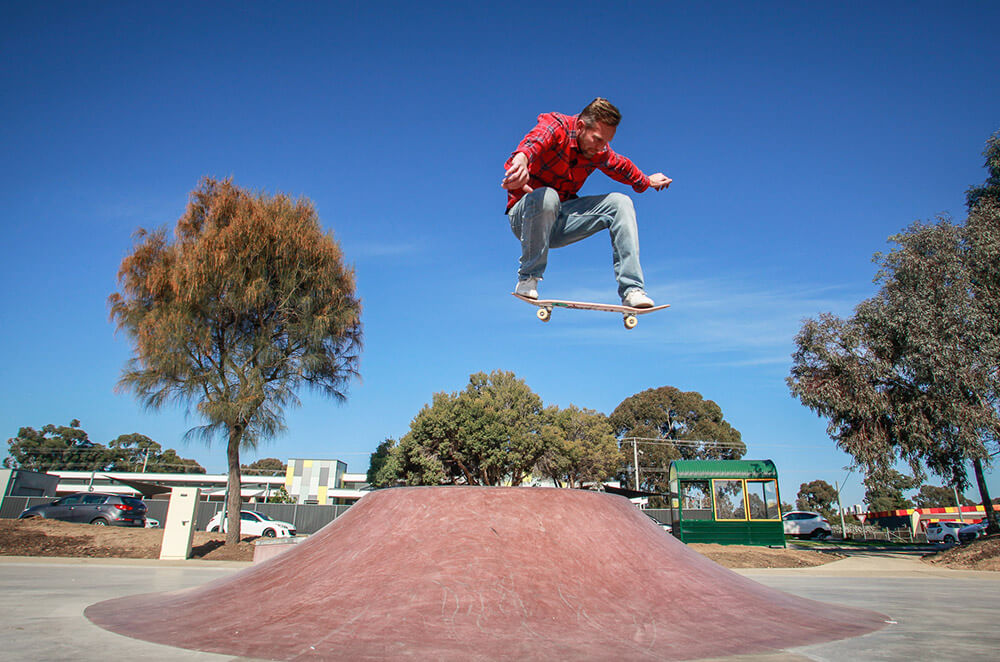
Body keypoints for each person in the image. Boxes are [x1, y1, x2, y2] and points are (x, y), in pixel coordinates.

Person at [502, 98, 671, 307]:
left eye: (606, 142)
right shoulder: (558, 126)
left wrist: (647, 181)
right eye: (598, 139)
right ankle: (528, 278)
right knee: (548, 196)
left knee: (621, 203)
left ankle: (632, 290)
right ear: (581, 126)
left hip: (560, 221)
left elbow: (622, 167)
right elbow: (537, 139)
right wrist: (521, 160)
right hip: (526, 218)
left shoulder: (599, 152)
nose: (601, 148)